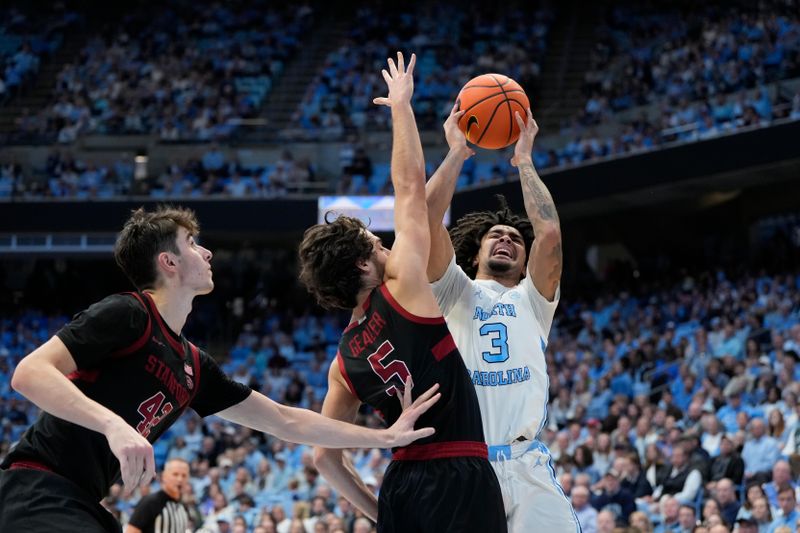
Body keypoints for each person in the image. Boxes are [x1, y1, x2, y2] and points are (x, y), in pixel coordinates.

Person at [0, 205, 438, 533]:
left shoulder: (193, 365)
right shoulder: (128, 313)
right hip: (36, 486)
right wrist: (114, 426)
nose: (206, 252)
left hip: (80, 500)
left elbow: (286, 420)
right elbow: (29, 373)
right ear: (168, 263)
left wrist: (383, 437)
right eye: (192, 244)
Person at [302, 52, 506, 533]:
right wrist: (400, 107)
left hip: (402, 488)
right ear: (363, 264)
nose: (388, 245)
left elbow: (324, 459)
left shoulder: (342, 362)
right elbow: (411, 193)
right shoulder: (401, 290)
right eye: (377, 243)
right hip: (459, 474)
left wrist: (383, 515)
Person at [424, 86, 575, 531]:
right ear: (474, 254)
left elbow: (549, 234)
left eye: (515, 238)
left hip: (527, 462)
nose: (507, 238)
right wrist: (456, 152)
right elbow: (426, 220)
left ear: (525, 260)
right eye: (497, 235)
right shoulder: (453, 289)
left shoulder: (534, 300)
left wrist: (523, 159)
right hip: (466, 464)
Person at [125, 458, 191, 533]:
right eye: (175, 474)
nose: (180, 479)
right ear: (164, 476)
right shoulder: (150, 502)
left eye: (184, 475)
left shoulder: (184, 506)